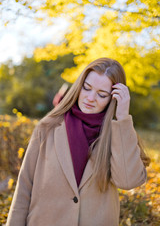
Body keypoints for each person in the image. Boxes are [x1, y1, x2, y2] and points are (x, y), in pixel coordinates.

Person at [6, 58, 150, 226]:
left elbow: (127, 181)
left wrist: (123, 118)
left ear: (113, 98)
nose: (90, 98)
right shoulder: (48, 126)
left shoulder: (118, 133)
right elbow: (25, 184)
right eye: (86, 88)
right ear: (79, 85)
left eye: (102, 94)